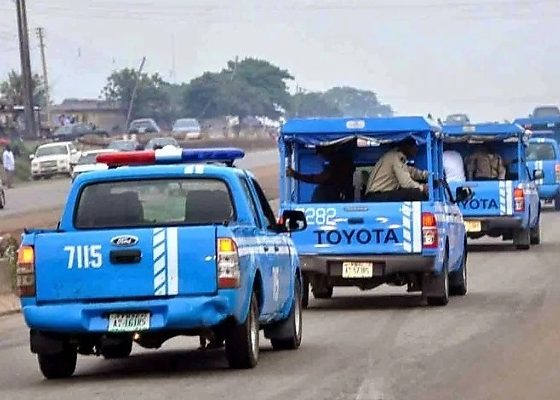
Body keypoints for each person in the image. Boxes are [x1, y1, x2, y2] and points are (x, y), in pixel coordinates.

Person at [365, 137, 430, 201]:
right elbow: (406, 183)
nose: (416, 149)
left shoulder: (395, 156)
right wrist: (422, 188)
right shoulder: (396, 157)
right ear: (406, 146)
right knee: (415, 193)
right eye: (414, 146)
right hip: (377, 196)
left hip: (377, 195)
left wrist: (426, 175)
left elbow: (411, 171)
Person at [286, 146, 354, 203]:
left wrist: (296, 175)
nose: (320, 156)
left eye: (319, 154)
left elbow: (318, 179)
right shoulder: (339, 162)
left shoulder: (337, 164)